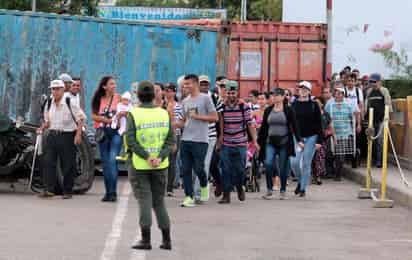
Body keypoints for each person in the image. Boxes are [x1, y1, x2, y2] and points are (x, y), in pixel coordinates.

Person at [126, 81, 175, 251]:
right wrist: (158, 157)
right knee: (159, 202)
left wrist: (147, 157)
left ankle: (145, 240)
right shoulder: (163, 114)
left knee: (144, 201)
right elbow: (170, 141)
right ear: (154, 95)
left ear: (138, 95)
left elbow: (131, 141)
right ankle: (167, 240)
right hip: (161, 166)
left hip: (140, 165)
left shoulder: (133, 114)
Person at [37, 80, 85, 199]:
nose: (55, 91)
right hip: (52, 135)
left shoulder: (70, 102)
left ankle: (68, 190)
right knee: (48, 162)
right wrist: (41, 128)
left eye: (58, 89)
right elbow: (48, 122)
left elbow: (81, 119)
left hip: (67, 136)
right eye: (53, 89)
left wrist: (78, 135)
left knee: (68, 164)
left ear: (63, 90)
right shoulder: (48, 103)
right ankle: (49, 190)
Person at [177, 74, 218, 207]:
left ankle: (204, 185)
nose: (185, 86)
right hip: (186, 139)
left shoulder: (205, 98)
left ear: (195, 84)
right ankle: (189, 197)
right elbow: (183, 121)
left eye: (187, 84)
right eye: (184, 84)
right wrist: (173, 124)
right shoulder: (185, 101)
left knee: (199, 168)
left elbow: (214, 117)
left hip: (201, 140)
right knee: (186, 169)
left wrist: (197, 116)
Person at [217, 80, 259, 204]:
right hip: (226, 143)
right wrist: (220, 139)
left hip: (241, 143)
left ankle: (240, 187)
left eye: (233, 93)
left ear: (237, 93)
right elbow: (220, 122)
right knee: (225, 169)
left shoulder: (243, 106)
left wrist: (255, 141)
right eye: (229, 93)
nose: (231, 95)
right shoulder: (222, 106)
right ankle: (226, 195)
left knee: (240, 169)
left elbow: (250, 124)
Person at [258, 88, 301, 200]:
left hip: (284, 142)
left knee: (282, 167)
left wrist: (299, 140)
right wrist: (258, 142)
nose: (275, 97)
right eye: (274, 95)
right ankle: (269, 190)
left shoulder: (288, 110)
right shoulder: (268, 110)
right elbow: (263, 128)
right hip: (270, 142)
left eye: (278, 95)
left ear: (283, 97)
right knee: (268, 164)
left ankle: (282, 190)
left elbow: (295, 126)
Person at [91, 76, 123, 202]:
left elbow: (127, 110)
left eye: (115, 84)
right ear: (104, 86)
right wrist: (107, 120)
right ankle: (108, 192)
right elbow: (93, 116)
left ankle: (113, 192)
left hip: (116, 132)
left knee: (112, 159)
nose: (114, 86)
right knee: (105, 163)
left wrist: (121, 116)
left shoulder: (119, 98)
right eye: (111, 84)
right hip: (103, 132)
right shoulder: (99, 99)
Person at [290, 81, 322, 197]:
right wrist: (298, 139)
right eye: (301, 89)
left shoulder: (314, 105)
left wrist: (319, 141)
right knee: (294, 162)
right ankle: (300, 181)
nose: (303, 91)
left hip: (311, 137)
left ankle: (303, 188)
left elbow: (319, 124)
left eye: (305, 89)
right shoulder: (293, 105)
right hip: (297, 137)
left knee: (306, 164)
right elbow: (292, 124)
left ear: (309, 91)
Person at [191, 75, 217, 203]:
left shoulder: (214, 98)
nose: (204, 86)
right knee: (194, 166)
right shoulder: (192, 98)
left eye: (206, 84)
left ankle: (198, 193)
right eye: (202, 84)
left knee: (204, 165)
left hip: (210, 136)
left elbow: (219, 117)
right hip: (195, 136)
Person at [325, 87, 356, 180]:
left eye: (340, 93)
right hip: (331, 132)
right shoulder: (329, 104)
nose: (338, 95)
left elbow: (352, 117)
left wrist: (353, 129)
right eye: (336, 93)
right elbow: (325, 117)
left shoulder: (348, 104)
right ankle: (330, 172)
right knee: (329, 154)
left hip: (344, 133)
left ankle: (338, 174)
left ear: (343, 94)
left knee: (340, 155)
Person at [364, 73, 393, 168]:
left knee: (380, 141)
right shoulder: (369, 92)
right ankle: (372, 159)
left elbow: (389, 105)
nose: (373, 83)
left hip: (382, 120)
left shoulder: (384, 91)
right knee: (371, 140)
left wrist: (390, 120)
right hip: (371, 120)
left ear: (379, 82)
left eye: (374, 82)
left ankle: (379, 161)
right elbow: (366, 105)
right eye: (371, 81)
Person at [164, 82, 182, 196]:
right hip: (161, 135)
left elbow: (180, 122)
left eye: (170, 90)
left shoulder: (178, 106)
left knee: (172, 161)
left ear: (174, 92)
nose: (167, 93)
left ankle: (169, 187)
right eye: (166, 90)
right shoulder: (161, 104)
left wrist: (173, 132)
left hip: (175, 134)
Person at [311, 98, 332, 185]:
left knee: (320, 158)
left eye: (318, 103)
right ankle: (313, 176)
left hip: (323, 139)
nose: (316, 104)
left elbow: (330, 126)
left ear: (322, 104)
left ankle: (319, 176)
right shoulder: (310, 114)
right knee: (312, 158)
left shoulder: (326, 114)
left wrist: (332, 135)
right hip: (312, 139)